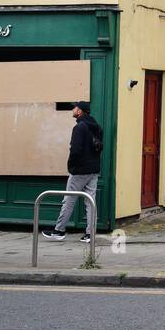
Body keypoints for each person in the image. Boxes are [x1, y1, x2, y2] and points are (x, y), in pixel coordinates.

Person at [42, 101, 103, 243]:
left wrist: (72, 167)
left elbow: (75, 150)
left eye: (75, 107)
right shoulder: (97, 127)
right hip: (94, 169)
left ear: (80, 111)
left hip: (80, 171)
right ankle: (90, 233)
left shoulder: (79, 127)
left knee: (69, 199)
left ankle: (59, 230)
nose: (73, 109)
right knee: (90, 201)